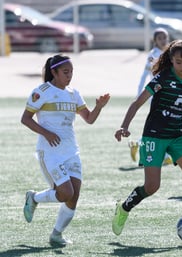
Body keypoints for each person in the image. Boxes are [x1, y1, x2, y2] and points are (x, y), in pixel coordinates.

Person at [112, 40, 182, 243]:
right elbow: (137, 103)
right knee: (152, 186)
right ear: (172, 61)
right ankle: (124, 207)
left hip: (177, 136)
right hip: (154, 136)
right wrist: (124, 126)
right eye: (179, 62)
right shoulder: (162, 78)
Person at [21, 54, 110, 246]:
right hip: (50, 152)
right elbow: (25, 119)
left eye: (71, 72)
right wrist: (46, 133)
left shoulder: (74, 93)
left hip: (71, 151)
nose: (69, 76)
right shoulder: (41, 91)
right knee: (65, 193)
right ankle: (34, 197)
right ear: (54, 72)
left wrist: (99, 107)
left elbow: (89, 119)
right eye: (65, 72)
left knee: (73, 197)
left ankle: (56, 235)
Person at [129, 27, 172, 165]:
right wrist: (139, 93)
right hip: (157, 94)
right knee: (161, 125)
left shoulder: (170, 52)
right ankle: (159, 155)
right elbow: (144, 75)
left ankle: (140, 145)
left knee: (164, 124)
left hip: (168, 93)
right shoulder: (153, 55)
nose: (163, 40)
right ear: (155, 40)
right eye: (160, 38)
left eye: (165, 37)